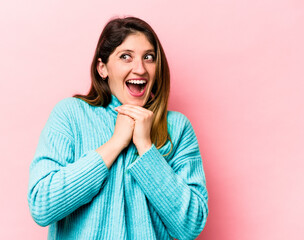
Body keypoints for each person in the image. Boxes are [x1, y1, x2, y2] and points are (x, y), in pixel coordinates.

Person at [28, 16, 208, 240]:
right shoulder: (71, 114)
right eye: (126, 57)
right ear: (102, 68)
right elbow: (42, 206)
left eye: (149, 57)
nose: (140, 68)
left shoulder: (177, 128)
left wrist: (146, 147)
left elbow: (190, 226)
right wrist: (115, 143)